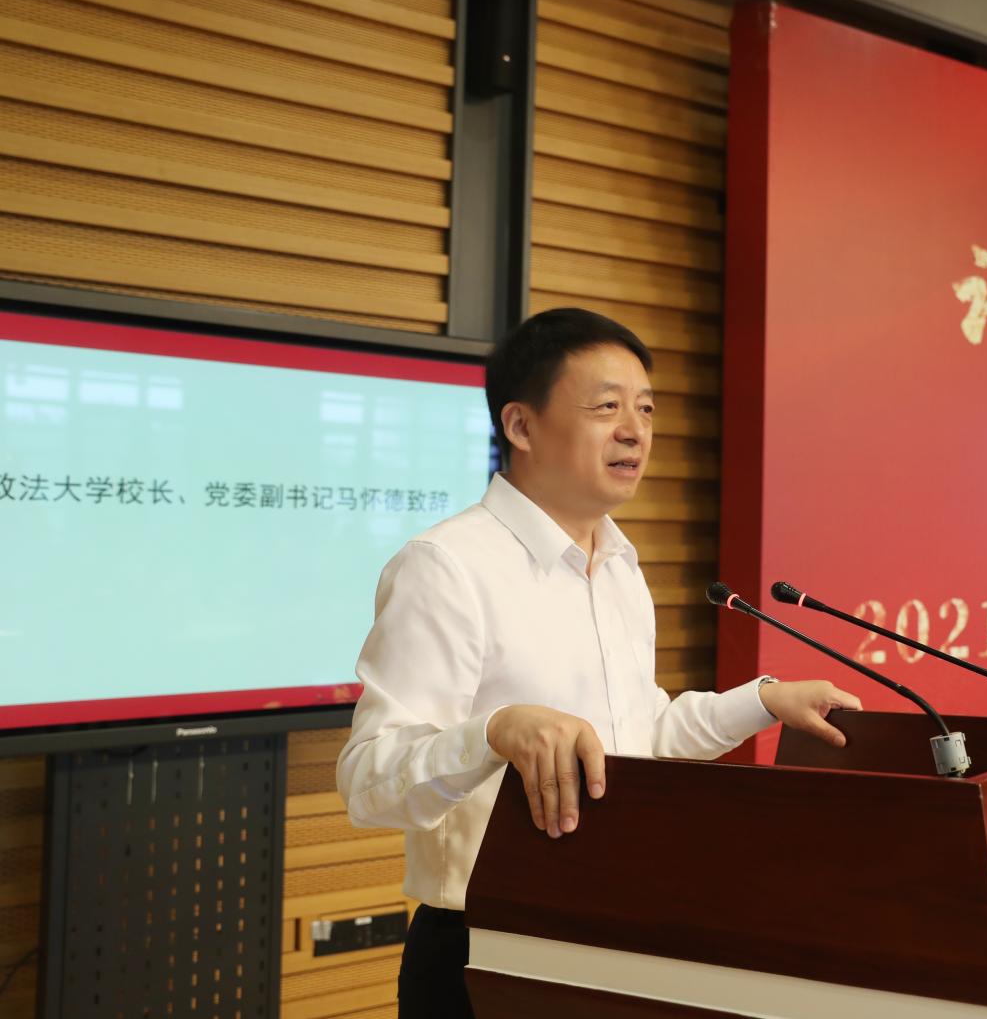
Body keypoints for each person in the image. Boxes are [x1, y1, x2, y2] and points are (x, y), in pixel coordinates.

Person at [336, 307, 863, 1018]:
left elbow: (640, 736)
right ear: (521, 426)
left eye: (645, 408)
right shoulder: (447, 566)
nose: (635, 431)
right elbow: (368, 783)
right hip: (485, 951)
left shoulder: (618, 564)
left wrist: (762, 700)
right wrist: (494, 732)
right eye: (607, 407)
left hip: (613, 938)